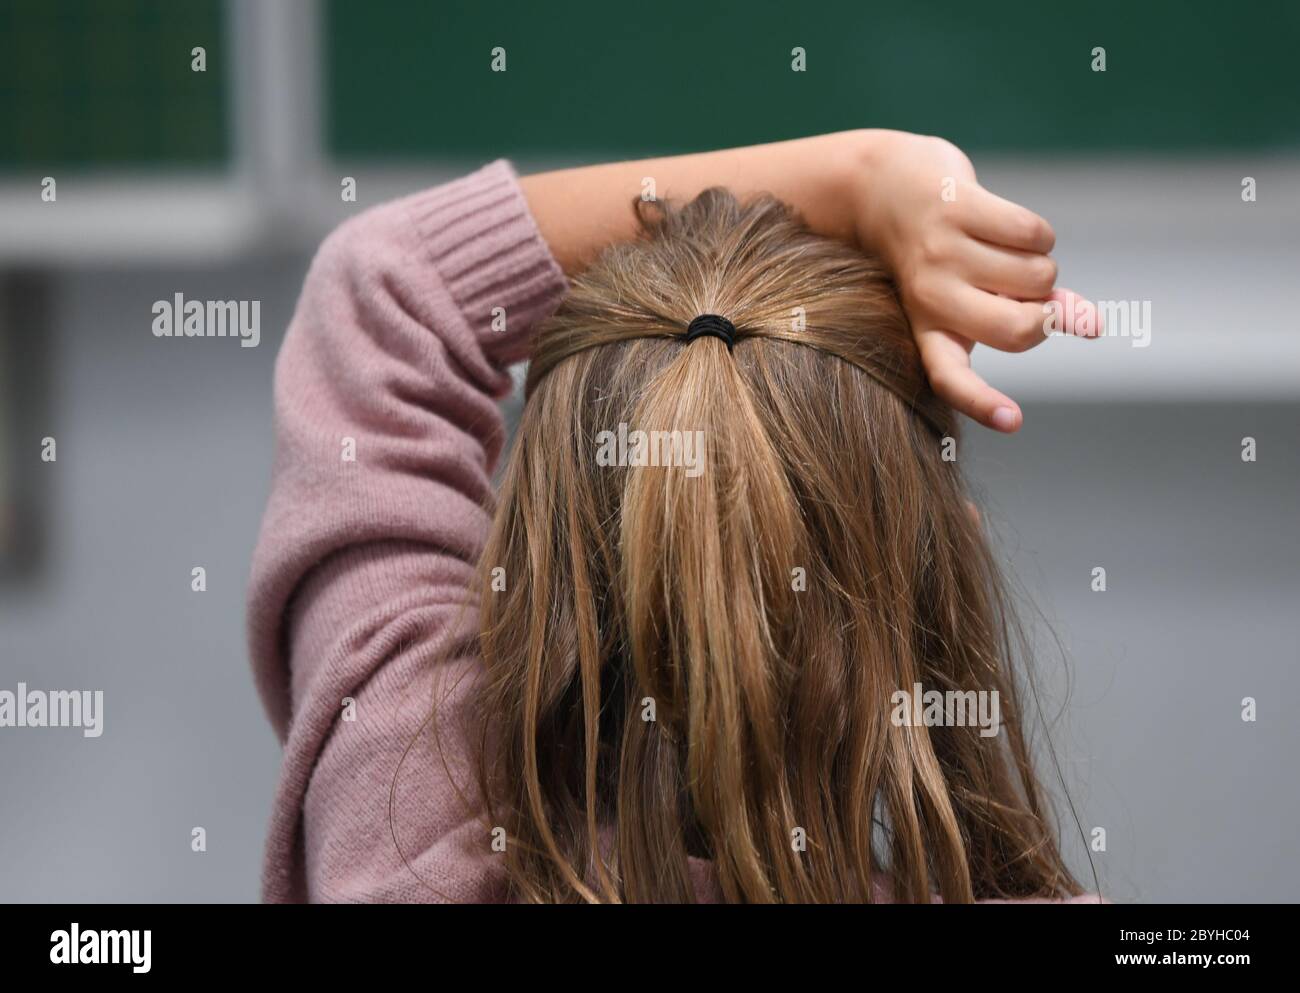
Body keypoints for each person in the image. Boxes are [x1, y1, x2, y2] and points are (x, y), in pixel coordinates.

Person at [247, 130, 1101, 902]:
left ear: (523, 566)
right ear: (940, 573)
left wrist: (863, 177)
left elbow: (377, 289)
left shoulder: (404, 839)